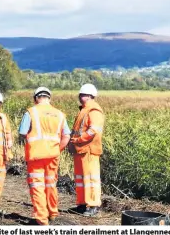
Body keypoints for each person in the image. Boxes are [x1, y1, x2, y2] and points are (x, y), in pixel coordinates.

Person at [18, 87, 71, 225]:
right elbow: (66, 136)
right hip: (53, 155)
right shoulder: (59, 114)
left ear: (36, 98)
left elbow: (23, 132)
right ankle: (52, 213)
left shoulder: (31, 112)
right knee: (50, 184)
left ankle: (42, 219)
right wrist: (56, 149)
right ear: (49, 98)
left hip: (36, 155)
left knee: (37, 186)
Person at [68, 83, 105, 217]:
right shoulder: (84, 110)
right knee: (81, 179)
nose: (81, 97)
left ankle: (93, 205)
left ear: (91, 96)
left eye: (83, 95)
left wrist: (78, 140)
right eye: (81, 94)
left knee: (91, 179)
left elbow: (93, 130)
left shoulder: (94, 111)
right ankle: (82, 204)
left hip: (89, 150)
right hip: (80, 150)